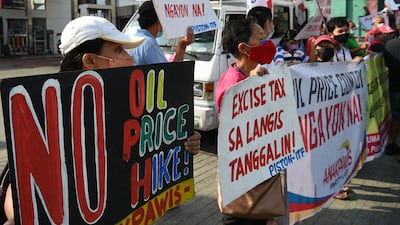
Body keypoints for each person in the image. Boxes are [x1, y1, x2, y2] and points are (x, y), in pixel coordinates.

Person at [1, 15, 202, 225]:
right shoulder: (47, 114)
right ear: (90, 61)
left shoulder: (129, 104)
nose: (129, 58)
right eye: (118, 50)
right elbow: (17, 208)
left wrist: (180, 143)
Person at [215, 16, 277, 225]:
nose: (267, 43)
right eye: (260, 39)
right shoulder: (234, 86)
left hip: (257, 174)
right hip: (242, 182)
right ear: (244, 48)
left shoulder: (251, 75)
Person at [129, 1, 194, 65]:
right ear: (159, 22)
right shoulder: (149, 44)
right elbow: (168, 74)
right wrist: (182, 47)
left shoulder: (134, 39)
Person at [383, 37, 400, 157]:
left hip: (395, 87)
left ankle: (392, 143)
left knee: (396, 116)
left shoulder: (390, 44)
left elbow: (385, 63)